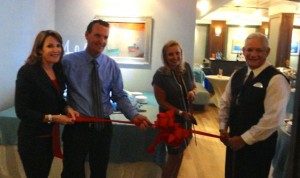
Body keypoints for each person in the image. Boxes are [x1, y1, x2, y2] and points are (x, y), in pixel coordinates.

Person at [61, 19, 152, 178]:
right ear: (87, 35)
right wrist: (65, 107)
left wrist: (134, 115)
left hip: (103, 127)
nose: (101, 41)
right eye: (97, 35)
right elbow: (56, 93)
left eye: (105, 37)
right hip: (77, 128)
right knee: (72, 172)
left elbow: (119, 96)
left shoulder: (112, 66)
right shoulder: (68, 62)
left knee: (99, 172)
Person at [218, 32, 290, 178]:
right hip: (234, 140)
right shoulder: (237, 74)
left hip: (259, 146)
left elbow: (273, 118)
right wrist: (222, 127)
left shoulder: (276, 79)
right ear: (243, 51)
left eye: (259, 50)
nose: (253, 54)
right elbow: (226, 102)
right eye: (249, 50)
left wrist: (245, 139)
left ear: (267, 52)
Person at [15, 30, 79, 178]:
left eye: (58, 45)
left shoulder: (57, 69)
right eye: (50, 46)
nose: (56, 50)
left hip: (50, 137)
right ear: (39, 49)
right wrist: (54, 118)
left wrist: (67, 108)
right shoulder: (27, 72)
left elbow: (57, 99)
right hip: (33, 139)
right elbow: (22, 111)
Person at [152, 40, 198, 178]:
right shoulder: (160, 75)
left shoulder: (187, 68)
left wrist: (193, 92)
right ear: (165, 57)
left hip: (186, 120)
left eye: (177, 53)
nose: (175, 57)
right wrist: (180, 112)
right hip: (171, 122)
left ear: (181, 54)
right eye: (170, 54)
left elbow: (194, 87)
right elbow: (161, 101)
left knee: (181, 152)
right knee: (173, 156)